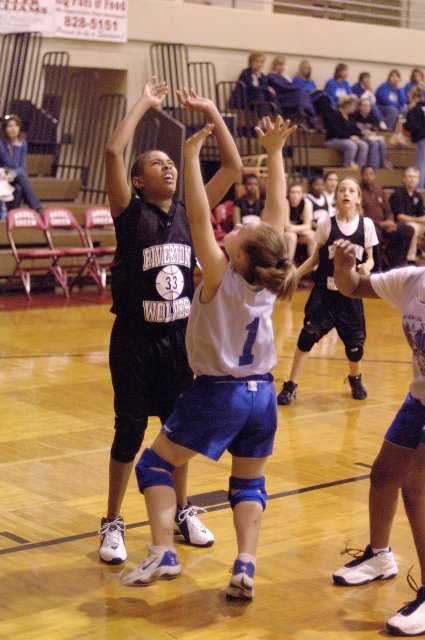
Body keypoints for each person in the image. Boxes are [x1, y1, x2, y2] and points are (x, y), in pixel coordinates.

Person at [121, 116, 298, 597]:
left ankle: (163, 552)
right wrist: (275, 154)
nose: (238, 225)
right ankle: (245, 566)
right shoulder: (267, 274)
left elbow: (198, 217)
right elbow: (277, 210)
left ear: (239, 256)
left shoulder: (221, 275)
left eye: (241, 228)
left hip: (220, 393)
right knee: (248, 485)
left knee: (154, 466)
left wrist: (192, 157)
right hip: (263, 396)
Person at [99, 79, 242, 564]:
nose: (168, 167)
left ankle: (182, 511)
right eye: (157, 164)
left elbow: (232, 167)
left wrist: (211, 111)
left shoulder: (189, 213)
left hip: (179, 341)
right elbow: (113, 152)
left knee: (179, 432)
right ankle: (112, 521)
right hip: (134, 342)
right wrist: (144, 102)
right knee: (129, 432)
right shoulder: (129, 213)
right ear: (138, 181)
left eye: (171, 162)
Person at [331, 238, 425, 637]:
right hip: (420, 397)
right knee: (385, 473)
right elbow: (352, 286)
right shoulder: (413, 280)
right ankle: (380, 556)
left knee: (416, 487)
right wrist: (343, 264)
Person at [277, 176, 379, 406]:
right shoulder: (326, 223)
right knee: (307, 337)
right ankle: (291, 384)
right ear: (336, 197)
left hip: (350, 294)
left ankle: (355, 378)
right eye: (342, 190)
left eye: (351, 190)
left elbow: (371, 259)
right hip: (324, 293)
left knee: (355, 347)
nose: (346, 193)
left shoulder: (366, 225)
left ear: (358, 198)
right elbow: (315, 258)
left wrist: (366, 267)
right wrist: (294, 276)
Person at [361, 165, 414, 270]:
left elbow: (388, 209)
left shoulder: (379, 189)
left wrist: (390, 221)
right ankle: (378, 267)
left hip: (385, 225)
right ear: (362, 175)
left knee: (407, 230)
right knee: (375, 233)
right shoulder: (359, 191)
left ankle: (396, 263)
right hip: (370, 226)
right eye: (366, 174)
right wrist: (380, 224)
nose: (368, 176)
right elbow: (361, 215)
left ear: (375, 176)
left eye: (371, 174)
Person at [0, 114, 41, 213]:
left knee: (18, 188)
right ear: (5, 129)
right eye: (10, 126)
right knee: (21, 177)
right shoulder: (1, 144)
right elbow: (9, 163)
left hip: (14, 176)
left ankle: (13, 214)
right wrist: (6, 173)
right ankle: (36, 209)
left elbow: (22, 166)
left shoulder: (22, 143)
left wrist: (12, 174)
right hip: (2, 175)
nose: (14, 129)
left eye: (16, 125)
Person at [267, 55, 317, 129]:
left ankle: (310, 117)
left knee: (302, 92)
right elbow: (282, 87)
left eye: (282, 65)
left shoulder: (285, 76)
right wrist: (296, 88)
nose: (281, 67)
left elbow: (290, 85)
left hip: (289, 94)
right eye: (279, 65)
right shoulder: (271, 76)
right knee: (300, 92)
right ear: (274, 66)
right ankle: (303, 112)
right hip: (282, 96)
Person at [389, 167, 425, 264]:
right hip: (399, 224)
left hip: (414, 223)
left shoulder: (418, 196)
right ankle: (410, 258)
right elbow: (399, 216)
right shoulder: (397, 194)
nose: (412, 179)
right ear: (404, 179)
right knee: (413, 228)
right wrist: (418, 220)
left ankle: (422, 255)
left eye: (415, 177)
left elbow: (422, 215)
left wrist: (421, 219)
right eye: (410, 176)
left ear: (418, 180)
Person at [324, 95, 368, 168]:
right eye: (353, 106)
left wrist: (362, 134)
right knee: (351, 145)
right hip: (333, 139)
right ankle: (347, 167)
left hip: (346, 139)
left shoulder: (350, 116)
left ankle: (360, 167)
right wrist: (350, 137)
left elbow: (355, 130)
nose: (354, 108)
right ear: (347, 106)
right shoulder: (334, 115)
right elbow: (336, 132)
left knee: (364, 145)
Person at [352, 98, 392, 169]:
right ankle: (374, 166)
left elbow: (374, 129)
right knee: (374, 144)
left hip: (368, 137)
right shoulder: (354, 116)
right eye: (365, 106)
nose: (367, 108)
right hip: (358, 137)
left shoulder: (372, 117)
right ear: (360, 107)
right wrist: (362, 133)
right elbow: (351, 129)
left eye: (369, 106)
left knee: (382, 142)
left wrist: (372, 133)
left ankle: (383, 162)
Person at [236, 51, 277, 117]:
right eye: (257, 62)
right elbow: (250, 88)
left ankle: (278, 116)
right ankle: (263, 118)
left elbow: (264, 87)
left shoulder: (262, 75)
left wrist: (260, 78)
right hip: (247, 98)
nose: (259, 64)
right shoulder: (246, 73)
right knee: (259, 94)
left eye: (261, 62)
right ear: (251, 62)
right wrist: (266, 88)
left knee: (271, 95)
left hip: (259, 99)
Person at [285, 182, 316, 262]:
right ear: (288, 194)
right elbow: (286, 226)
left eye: (298, 192)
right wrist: (302, 229)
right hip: (285, 233)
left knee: (313, 236)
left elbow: (308, 225)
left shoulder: (305, 203)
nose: (295, 195)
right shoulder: (286, 202)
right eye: (293, 192)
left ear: (302, 194)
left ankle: (312, 265)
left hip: (297, 232)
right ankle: (289, 263)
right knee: (292, 237)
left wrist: (297, 229)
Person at [403, 87, 425, 189]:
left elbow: (411, 125)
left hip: (422, 138)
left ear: (414, 98)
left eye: (410, 98)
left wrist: (408, 112)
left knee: (421, 164)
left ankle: (419, 188)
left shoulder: (416, 109)